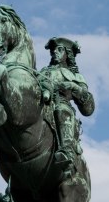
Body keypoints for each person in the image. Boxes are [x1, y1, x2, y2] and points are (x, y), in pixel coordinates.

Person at [39, 37, 95, 175]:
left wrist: (73, 88)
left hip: (61, 106)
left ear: (67, 53)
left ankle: (67, 151)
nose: (54, 53)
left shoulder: (76, 76)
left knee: (62, 110)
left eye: (59, 49)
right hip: (40, 105)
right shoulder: (43, 72)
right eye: (53, 50)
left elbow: (88, 109)